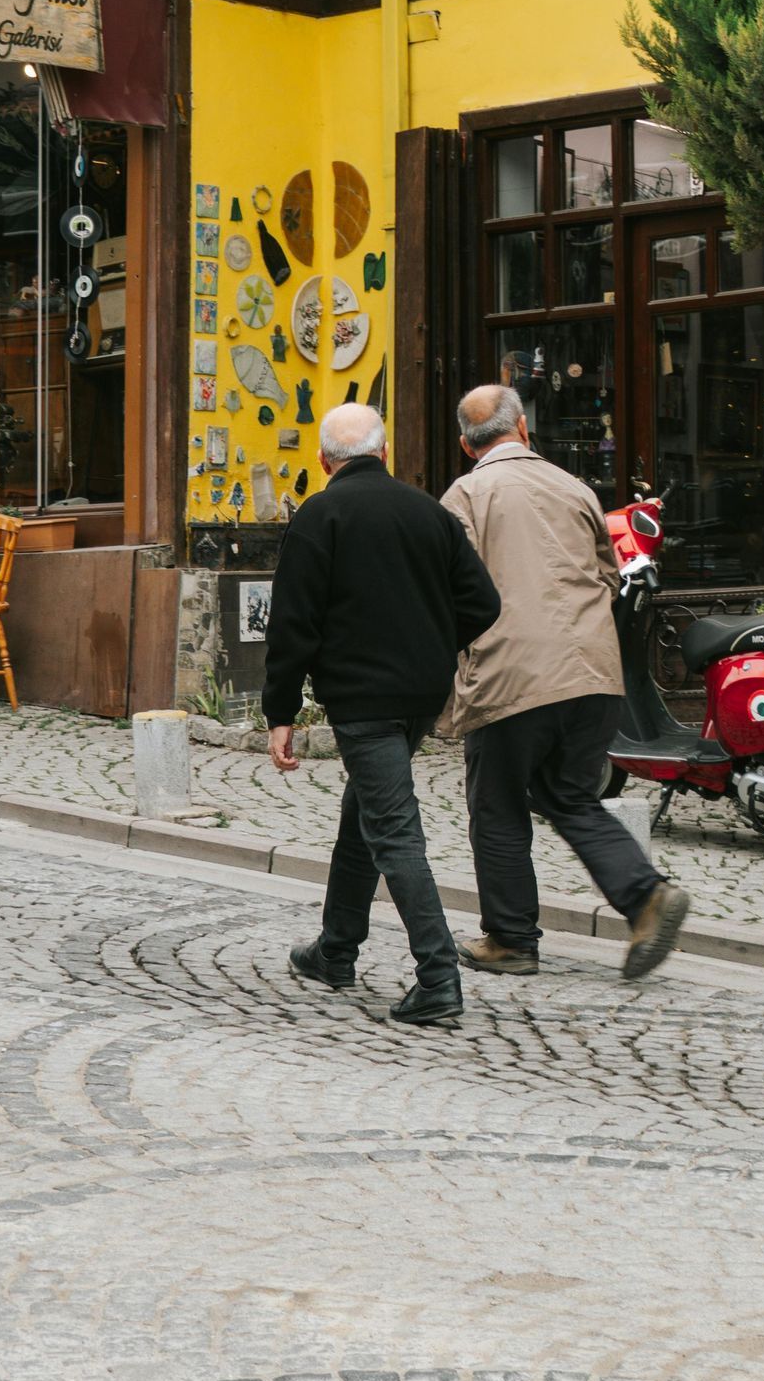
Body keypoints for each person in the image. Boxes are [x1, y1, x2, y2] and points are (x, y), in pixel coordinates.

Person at [441, 383, 690, 983]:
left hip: (512, 676)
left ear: (464, 445)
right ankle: (644, 896)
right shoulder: (575, 487)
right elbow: (609, 576)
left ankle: (510, 940)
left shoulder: (466, 494)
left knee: (497, 807)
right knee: (569, 794)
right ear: (523, 428)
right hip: (593, 673)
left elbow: (454, 591)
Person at [263, 402, 501, 1026]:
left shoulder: (321, 514)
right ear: (385, 453)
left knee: (393, 829)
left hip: (361, 700)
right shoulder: (429, 511)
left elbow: (293, 624)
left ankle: (438, 979)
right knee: (364, 810)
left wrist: (280, 712)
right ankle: (336, 949)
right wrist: (431, 643)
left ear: (323, 461)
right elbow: (482, 602)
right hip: (422, 696)